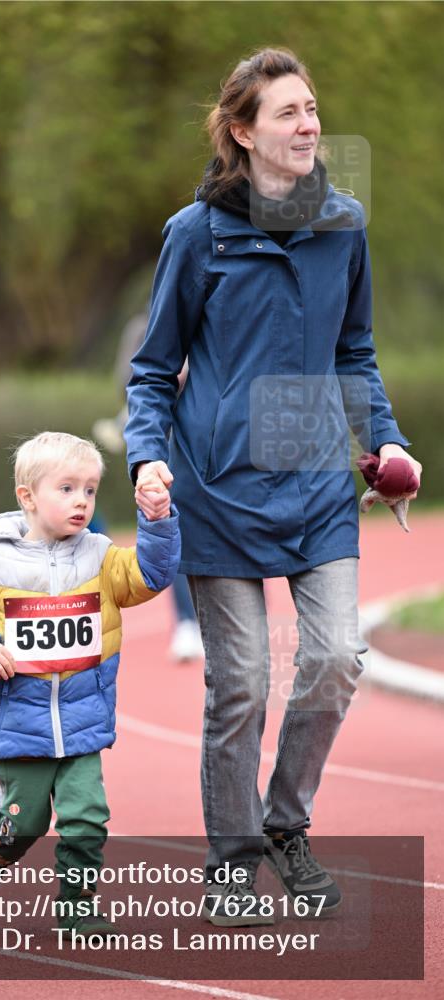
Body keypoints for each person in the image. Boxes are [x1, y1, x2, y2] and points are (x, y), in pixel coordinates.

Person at [123, 48, 422, 926]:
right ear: (243, 132)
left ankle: (285, 826)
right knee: (242, 681)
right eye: (287, 113)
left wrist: (387, 441)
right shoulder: (195, 235)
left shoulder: (345, 225)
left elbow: (353, 355)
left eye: (313, 108)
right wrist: (148, 455)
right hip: (217, 491)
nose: (308, 125)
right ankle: (232, 855)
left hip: (320, 486)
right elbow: (151, 372)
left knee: (331, 661)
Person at [0, 431, 179, 934]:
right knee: (23, 824)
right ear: (27, 496)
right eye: (66, 489)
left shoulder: (100, 557)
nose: (81, 501)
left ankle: (77, 905)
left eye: (89, 489)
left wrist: (157, 520)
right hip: (19, 729)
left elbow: (151, 575)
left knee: (87, 819)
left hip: (83, 725)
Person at [93, 310, 204, 662]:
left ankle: (242, 614)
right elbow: (129, 380)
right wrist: (171, 377)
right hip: (165, 437)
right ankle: (187, 622)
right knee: (175, 524)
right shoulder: (142, 326)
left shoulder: (211, 317)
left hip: (212, 437)